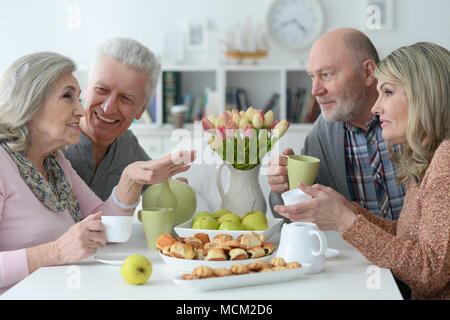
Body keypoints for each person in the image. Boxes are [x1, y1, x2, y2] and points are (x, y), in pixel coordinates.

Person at [0, 52, 195, 293]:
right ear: (30, 102)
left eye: (79, 98)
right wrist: (57, 251)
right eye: (68, 97)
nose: (81, 110)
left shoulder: (55, 162)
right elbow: (59, 251)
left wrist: (130, 180)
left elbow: (104, 227)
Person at [274, 42, 450, 300]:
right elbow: (407, 236)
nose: (377, 108)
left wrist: (344, 220)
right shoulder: (428, 156)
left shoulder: (445, 158)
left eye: (388, 92)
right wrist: (346, 209)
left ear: (425, 95)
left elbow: (430, 272)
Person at [268, 28, 406, 221]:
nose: (315, 91)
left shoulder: (411, 118)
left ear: (368, 72)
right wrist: (284, 187)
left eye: (326, 74)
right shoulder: (323, 132)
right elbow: (293, 214)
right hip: (357, 251)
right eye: (312, 77)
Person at [63, 37, 175, 201]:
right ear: (85, 89)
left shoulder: (127, 146)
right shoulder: (55, 141)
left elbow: (154, 181)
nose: (108, 108)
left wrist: (174, 187)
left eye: (126, 98)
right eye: (101, 89)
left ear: (141, 110)